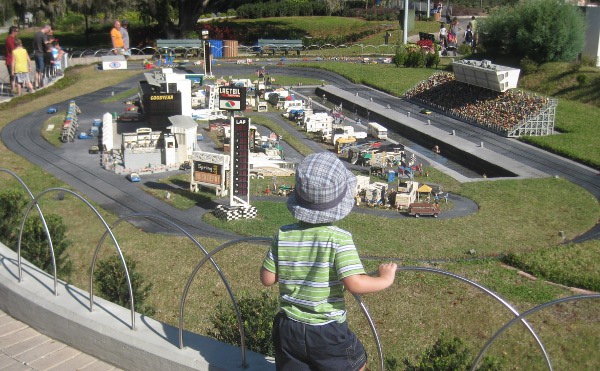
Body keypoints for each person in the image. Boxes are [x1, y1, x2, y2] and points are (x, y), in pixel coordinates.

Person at [260, 152, 397, 370]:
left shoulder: (283, 234)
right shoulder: (338, 239)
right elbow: (355, 283)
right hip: (325, 330)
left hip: (288, 327)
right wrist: (385, 279)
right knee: (357, 362)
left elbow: (267, 279)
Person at [4, 26, 19, 93]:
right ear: (13, 31)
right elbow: (13, 49)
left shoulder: (12, 39)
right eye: (17, 31)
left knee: (14, 73)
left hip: (13, 59)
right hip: (10, 59)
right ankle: (12, 88)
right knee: (12, 74)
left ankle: (14, 85)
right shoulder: (10, 39)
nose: (18, 33)